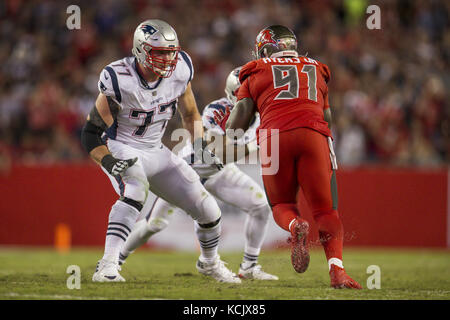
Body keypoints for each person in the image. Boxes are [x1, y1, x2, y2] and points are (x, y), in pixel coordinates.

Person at [80, 19, 240, 284]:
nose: (167, 59)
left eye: (171, 52)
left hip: (156, 150)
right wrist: (107, 161)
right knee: (135, 189)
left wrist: (200, 147)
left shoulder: (181, 69)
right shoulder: (120, 78)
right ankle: (107, 266)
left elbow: (190, 113)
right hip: (123, 145)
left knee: (209, 210)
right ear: (141, 50)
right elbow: (89, 133)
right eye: (160, 52)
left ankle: (209, 263)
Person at [225, 25, 362, 289]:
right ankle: (338, 272)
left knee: (281, 205)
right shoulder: (318, 68)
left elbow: (236, 126)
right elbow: (328, 118)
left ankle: (295, 224)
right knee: (326, 210)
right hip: (314, 135)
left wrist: (251, 108)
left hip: (275, 139)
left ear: (264, 49)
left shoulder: (254, 69)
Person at [118, 67, 278, 281]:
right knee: (154, 224)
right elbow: (220, 152)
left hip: (217, 172)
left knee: (259, 207)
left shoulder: (260, 116)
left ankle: (248, 266)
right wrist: (259, 146)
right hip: (188, 170)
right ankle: (115, 258)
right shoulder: (218, 110)